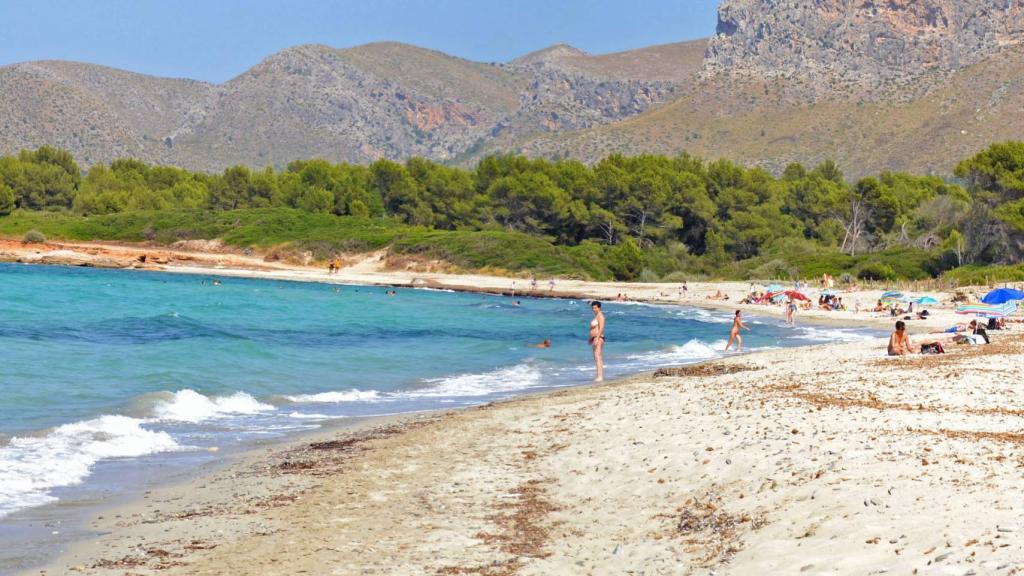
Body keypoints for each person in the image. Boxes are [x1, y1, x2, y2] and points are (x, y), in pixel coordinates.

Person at [588, 301, 605, 382]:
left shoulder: (600, 316)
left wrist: (597, 338)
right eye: (592, 308)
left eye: (595, 308)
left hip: (598, 338)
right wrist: (591, 338)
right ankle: (598, 375)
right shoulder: (596, 316)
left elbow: (601, 328)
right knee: (597, 357)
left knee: (598, 357)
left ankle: (600, 376)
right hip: (595, 338)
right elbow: (594, 328)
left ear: (599, 308)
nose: (593, 309)